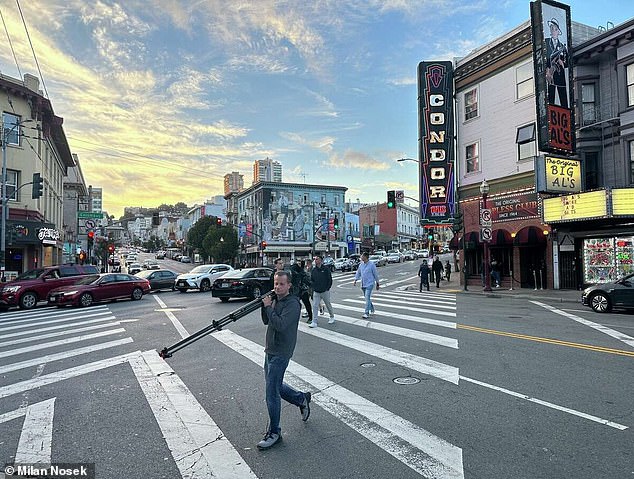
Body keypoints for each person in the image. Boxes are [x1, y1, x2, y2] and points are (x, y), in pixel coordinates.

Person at [258, 271, 311, 450]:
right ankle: (301, 399)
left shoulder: (293, 304)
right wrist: (265, 306)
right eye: (275, 283)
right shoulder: (276, 300)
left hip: (282, 351)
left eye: (281, 284)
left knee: (271, 392)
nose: (277, 287)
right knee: (276, 386)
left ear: (289, 285)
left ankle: (274, 432)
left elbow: (280, 325)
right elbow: (267, 321)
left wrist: (269, 308)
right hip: (270, 349)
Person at [545, 18, 569, 108]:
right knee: (550, 100)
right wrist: (547, 70)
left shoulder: (562, 46)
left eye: (555, 29)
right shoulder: (546, 42)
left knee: (563, 101)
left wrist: (561, 62)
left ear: (559, 31)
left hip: (560, 77)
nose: (553, 31)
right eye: (551, 28)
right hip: (550, 76)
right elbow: (542, 59)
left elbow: (567, 63)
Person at [310, 255, 335, 327]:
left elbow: (329, 279)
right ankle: (314, 321)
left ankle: (331, 316)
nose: (315, 260)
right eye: (315, 259)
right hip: (316, 291)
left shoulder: (326, 269)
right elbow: (312, 280)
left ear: (321, 260)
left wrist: (327, 288)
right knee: (315, 306)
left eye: (317, 259)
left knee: (328, 304)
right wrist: (313, 287)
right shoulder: (314, 270)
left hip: (325, 290)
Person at [353, 252, 379, 319]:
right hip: (363, 284)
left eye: (362, 256)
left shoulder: (371, 264)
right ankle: (372, 308)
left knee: (367, 297)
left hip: (370, 284)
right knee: (367, 298)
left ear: (365, 257)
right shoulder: (361, 264)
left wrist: (377, 283)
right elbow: (358, 272)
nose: (361, 257)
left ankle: (366, 313)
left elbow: (375, 274)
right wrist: (355, 280)